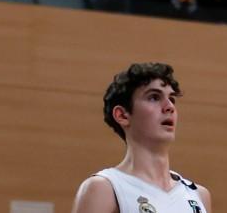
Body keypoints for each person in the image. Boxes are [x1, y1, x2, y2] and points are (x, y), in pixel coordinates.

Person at [70, 62, 211, 212]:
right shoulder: (104, 188)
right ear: (123, 115)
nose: (169, 106)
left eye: (172, 98)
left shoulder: (198, 195)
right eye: (154, 97)